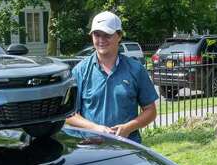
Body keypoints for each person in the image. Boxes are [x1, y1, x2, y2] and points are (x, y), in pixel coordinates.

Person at [65, 11, 158, 142]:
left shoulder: (136, 69)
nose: (101, 40)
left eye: (107, 35)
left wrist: (128, 127)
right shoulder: (80, 71)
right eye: (96, 35)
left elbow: (151, 111)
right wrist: (95, 128)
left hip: (127, 147)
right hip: (91, 149)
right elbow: (69, 115)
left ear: (119, 36)